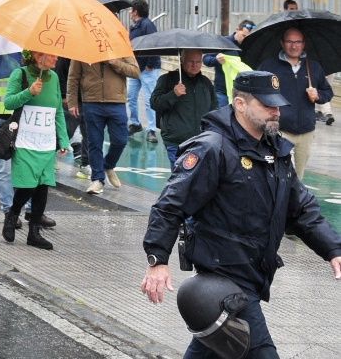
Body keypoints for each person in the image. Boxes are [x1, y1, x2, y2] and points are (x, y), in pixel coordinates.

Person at [141, 71, 341, 357]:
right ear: (240, 104)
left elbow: (302, 209)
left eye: (278, 105)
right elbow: (170, 205)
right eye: (267, 105)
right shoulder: (212, 148)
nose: (276, 112)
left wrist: (333, 248)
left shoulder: (276, 152)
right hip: (226, 277)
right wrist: (157, 259)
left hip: (252, 273)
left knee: (212, 350)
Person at [1, 49, 69, 251]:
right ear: (39, 56)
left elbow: (58, 112)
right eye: (53, 54)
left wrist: (63, 139)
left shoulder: (54, 77)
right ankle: (12, 214)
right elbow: (8, 102)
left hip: (46, 142)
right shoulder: (20, 74)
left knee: (42, 185)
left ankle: (34, 233)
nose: (57, 57)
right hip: (25, 140)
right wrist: (29, 92)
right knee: (28, 184)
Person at [260, 26, 332, 181]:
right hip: (280, 130)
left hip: (306, 131)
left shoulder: (313, 67)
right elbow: (257, 92)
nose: (294, 46)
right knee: (278, 174)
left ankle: (295, 203)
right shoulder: (269, 66)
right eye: (289, 41)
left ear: (304, 44)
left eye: (298, 41)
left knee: (298, 178)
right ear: (282, 43)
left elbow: (328, 92)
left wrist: (317, 95)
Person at [66, 51, 141, 195]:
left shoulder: (119, 46)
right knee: (94, 143)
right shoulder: (82, 48)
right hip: (91, 102)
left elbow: (135, 71)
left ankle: (108, 165)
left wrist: (114, 62)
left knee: (120, 140)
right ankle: (97, 179)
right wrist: (72, 102)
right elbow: (73, 77)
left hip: (116, 102)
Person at [153, 50, 219, 168]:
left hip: (201, 142)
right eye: (191, 62)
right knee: (180, 179)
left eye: (198, 62)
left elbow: (214, 109)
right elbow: (155, 103)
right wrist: (173, 94)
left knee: (198, 180)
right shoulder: (167, 79)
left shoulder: (206, 83)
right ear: (182, 61)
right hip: (176, 141)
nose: (195, 65)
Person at [127, 1, 161, 141]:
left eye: (131, 10)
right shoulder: (134, 26)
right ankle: (135, 123)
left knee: (149, 100)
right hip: (136, 68)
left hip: (148, 69)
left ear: (135, 12)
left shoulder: (148, 25)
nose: (129, 12)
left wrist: (150, 65)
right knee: (131, 97)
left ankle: (152, 129)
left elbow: (154, 44)